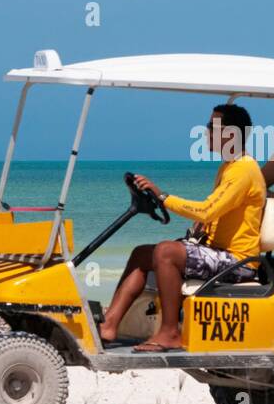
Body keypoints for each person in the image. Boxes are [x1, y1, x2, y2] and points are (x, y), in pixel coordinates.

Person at [98, 104, 265, 352]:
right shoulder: (229, 167)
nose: (206, 132)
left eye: (211, 127)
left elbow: (207, 209)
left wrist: (162, 195)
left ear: (230, 134)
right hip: (217, 251)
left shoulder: (243, 170)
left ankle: (170, 333)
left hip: (238, 261)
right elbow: (214, 214)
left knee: (166, 252)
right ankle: (110, 324)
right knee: (142, 253)